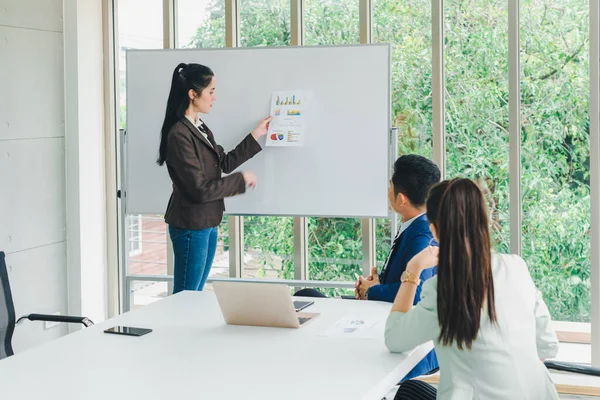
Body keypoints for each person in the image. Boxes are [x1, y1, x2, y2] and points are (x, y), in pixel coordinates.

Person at [385, 178, 559, 400]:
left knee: (407, 391)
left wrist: (413, 269)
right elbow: (547, 346)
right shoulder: (516, 267)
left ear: (434, 231)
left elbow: (394, 338)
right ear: (484, 221)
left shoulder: (444, 290)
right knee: (413, 391)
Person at [296, 154, 441, 381]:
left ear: (401, 198)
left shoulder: (422, 233)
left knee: (309, 303)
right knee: (306, 296)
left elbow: (417, 293)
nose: (387, 190)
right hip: (383, 314)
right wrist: (374, 285)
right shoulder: (417, 224)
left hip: (412, 350)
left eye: (390, 185)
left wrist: (370, 291)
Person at [157, 62, 272, 294]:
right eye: (211, 91)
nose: (214, 97)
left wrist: (256, 134)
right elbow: (199, 189)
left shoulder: (199, 127)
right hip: (190, 225)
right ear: (193, 94)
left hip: (207, 222)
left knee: (194, 294)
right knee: (186, 297)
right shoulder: (179, 134)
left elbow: (224, 162)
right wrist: (240, 180)